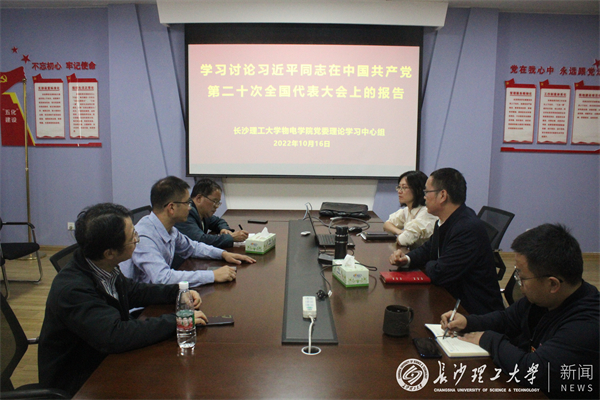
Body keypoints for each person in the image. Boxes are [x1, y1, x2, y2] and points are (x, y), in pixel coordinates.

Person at [38, 203, 208, 396]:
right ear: (109, 252)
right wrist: (177, 321)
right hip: (81, 382)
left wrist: (177, 291)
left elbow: (133, 291)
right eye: (132, 237)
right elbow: (115, 335)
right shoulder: (73, 290)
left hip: (105, 359)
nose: (137, 239)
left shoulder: (101, 265)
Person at [441, 224, 599, 399]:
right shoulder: (545, 298)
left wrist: (488, 338)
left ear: (552, 284)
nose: (519, 284)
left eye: (522, 277)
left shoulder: (586, 325)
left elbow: (530, 370)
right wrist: (469, 322)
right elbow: (507, 319)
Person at [389, 167, 503, 314]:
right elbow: (429, 248)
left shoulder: (467, 228)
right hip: (452, 299)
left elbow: (439, 274)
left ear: (442, 195)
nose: (424, 197)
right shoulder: (445, 219)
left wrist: (430, 263)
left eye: (427, 192)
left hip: (473, 312)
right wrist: (407, 259)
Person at [120, 176, 255, 287]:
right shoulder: (144, 237)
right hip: (141, 307)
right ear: (171, 208)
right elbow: (163, 278)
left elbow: (193, 247)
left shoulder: (170, 229)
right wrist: (212, 275)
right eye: (187, 203)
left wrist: (223, 254)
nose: (190, 208)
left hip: (158, 295)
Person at [175, 178, 249, 248]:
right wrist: (230, 237)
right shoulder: (186, 213)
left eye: (218, 203)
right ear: (199, 198)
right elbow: (200, 240)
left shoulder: (203, 213)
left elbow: (218, 221)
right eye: (214, 201)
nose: (216, 206)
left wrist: (224, 229)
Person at [383, 170, 438, 248]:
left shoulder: (427, 212)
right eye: (399, 187)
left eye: (404, 187)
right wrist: (399, 232)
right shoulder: (407, 210)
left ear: (418, 190)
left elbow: (404, 240)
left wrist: (403, 235)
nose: (399, 191)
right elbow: (386, 225)